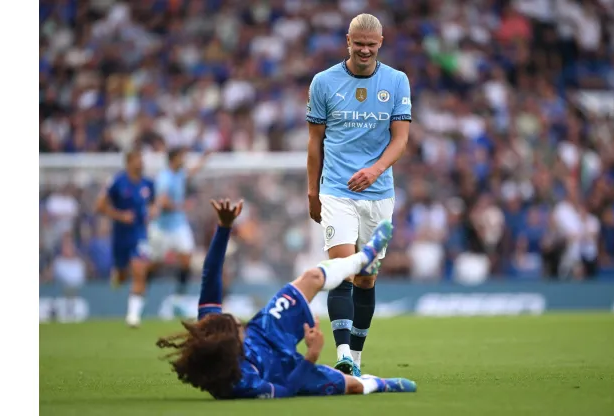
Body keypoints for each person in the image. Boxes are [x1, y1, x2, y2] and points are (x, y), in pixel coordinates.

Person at [157, 199, 417, 399]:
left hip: (267, 330)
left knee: (312, 277)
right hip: (282, 369)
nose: (240, 324)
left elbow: (210, 274)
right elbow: (285, 390)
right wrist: (310, 357)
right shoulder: (244, 384)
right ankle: (380, 384)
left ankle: (365, 256)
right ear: (232, 348)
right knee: (347, 385)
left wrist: (224, 228)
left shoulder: (210, 331)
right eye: (238, 329)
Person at [305, 13, 412, 376]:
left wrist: (375, 170)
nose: (365, 50)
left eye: (371, 44)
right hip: (336, 190)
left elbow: (400, 139)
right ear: (347, 41)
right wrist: (312, 191)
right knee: (342, 271)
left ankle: (358, 359)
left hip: (379, 193)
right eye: (358, 43)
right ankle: (344, 353)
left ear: (380, 43)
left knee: (366, 278)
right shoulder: (323, 82)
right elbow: (314, 143)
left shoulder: (396, 81)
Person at [148, 147, 213, 316]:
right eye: (181, 157)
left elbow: (192, 171)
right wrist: (180, 206)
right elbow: (162, 200)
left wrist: (204, 158)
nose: (183, 160)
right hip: (162, 227)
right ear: (173, 159)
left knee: (186, 258)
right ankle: (143, 286)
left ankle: (179, 295)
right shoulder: (164, 178)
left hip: (178, 225)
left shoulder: (179, 174)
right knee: (156, 263)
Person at [95, 150, 156, 327]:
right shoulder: (117, 182)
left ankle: (133, 316)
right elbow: (99, 206)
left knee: (139, 270)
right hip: (120, 236)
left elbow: (153, 203)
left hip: (139, 234)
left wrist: (152, 211)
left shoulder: (148, 183)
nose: (142, 163)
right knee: (122, 275)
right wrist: (120, 216)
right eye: (138, 159)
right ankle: (118, 275)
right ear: (129, 162)